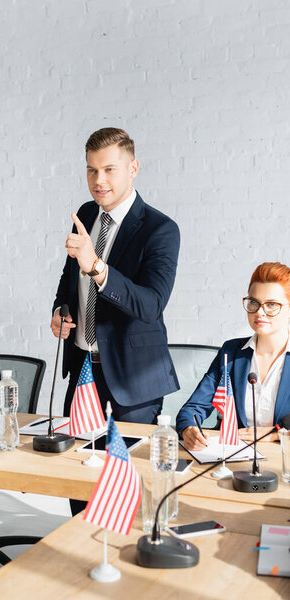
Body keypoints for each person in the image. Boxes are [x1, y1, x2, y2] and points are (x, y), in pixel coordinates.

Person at [51, 127, 180, 424]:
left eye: (109, 169)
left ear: (133, 168)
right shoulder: (84, 215)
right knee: (73, 467)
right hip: (82, 369)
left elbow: (151, 305)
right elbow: (69, 278)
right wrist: (60, 310)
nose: (99, 181)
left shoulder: (160, 230)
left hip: (132, 381)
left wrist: (97, 266)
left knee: (127, 469)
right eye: (92, 170)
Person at [176, 262, 290, 451]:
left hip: (282, 462)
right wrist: (189, 430)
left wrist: (275, 434)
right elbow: (193, 408)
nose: (259, 312)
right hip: (234, 458)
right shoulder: (231, 351)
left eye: (271, 304)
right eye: (253, 302)